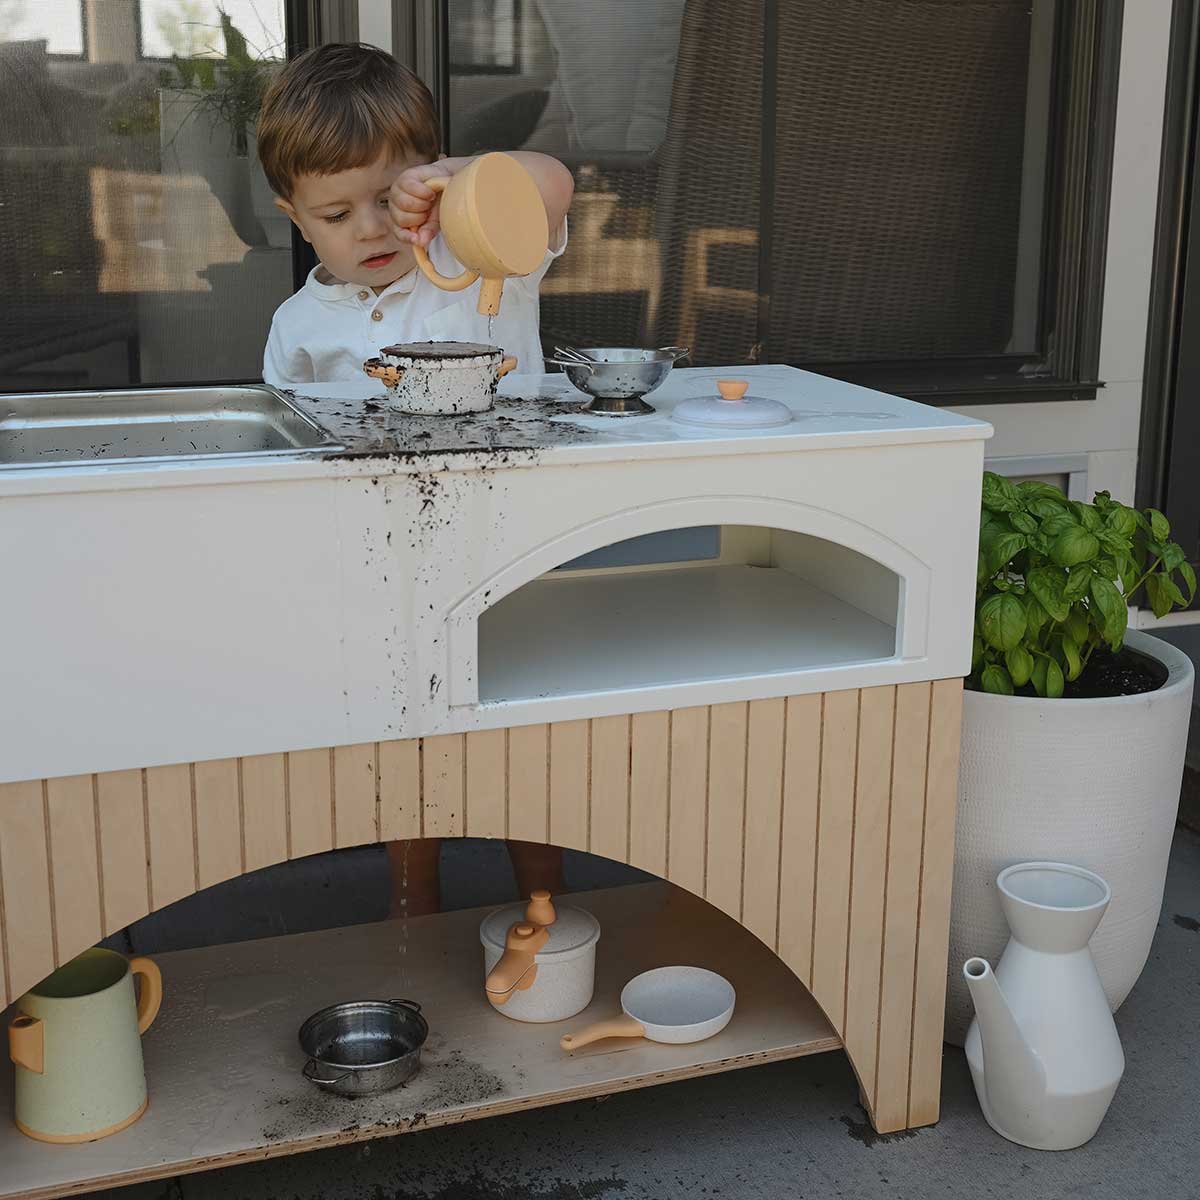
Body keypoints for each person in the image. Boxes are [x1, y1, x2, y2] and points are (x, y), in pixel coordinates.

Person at [256, 43, 573, 914]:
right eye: (336, 212)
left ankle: (545, 901)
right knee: (409, 751)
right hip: (378, 569)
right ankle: (413, 904)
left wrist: (460, 183)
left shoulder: (483, 257)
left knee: (524, 742)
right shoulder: (298, 326)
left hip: (513, 550)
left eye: (390, 198)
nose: (371, 229)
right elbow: (289, 462)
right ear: (295, 217)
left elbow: (551, 184)